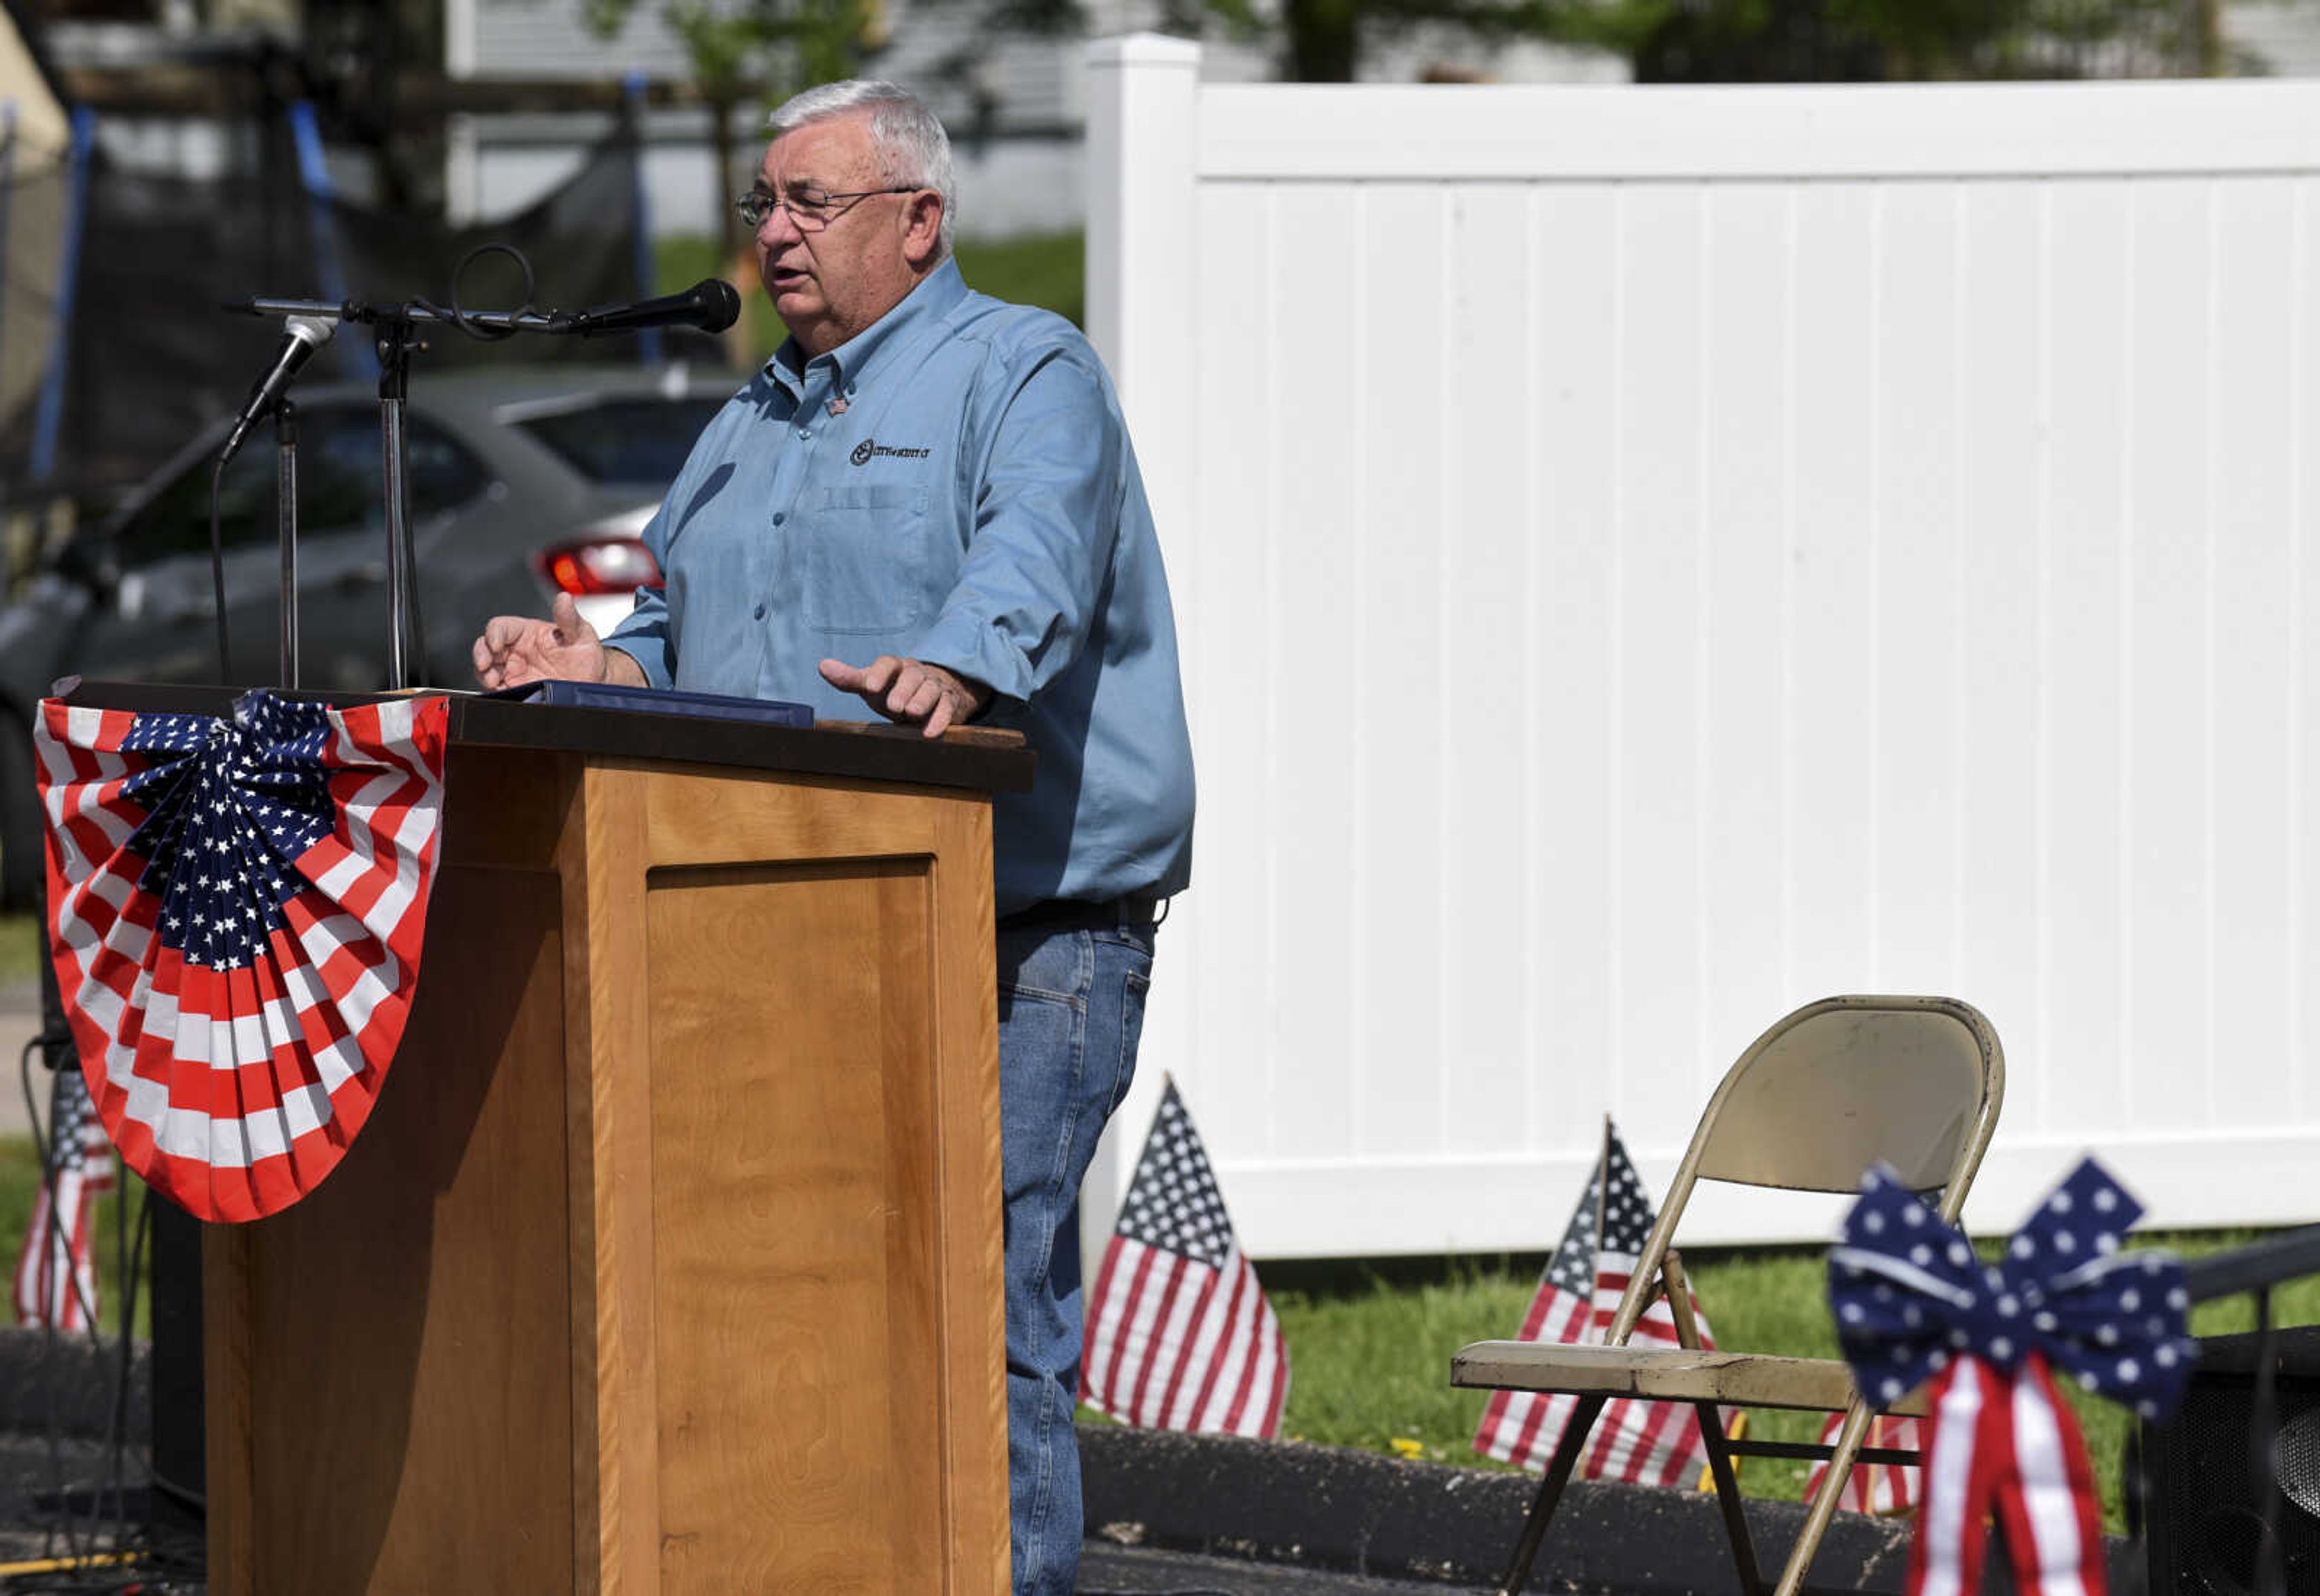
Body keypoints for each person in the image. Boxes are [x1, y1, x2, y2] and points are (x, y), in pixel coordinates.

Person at [471, 79, 1195, 1596]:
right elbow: (680, 625)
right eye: (765, 203)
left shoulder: (1025, 369)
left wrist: (958, 660)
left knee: (979, 1293)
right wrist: (603, 665)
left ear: (919, 223)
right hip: (781, 922)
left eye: (813, 203)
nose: (776, 234)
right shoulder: (746, 417)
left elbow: (1036, 554)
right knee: (792, 1283)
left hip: (1023, 930)